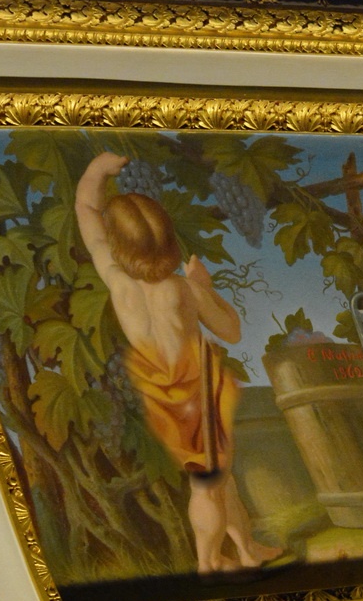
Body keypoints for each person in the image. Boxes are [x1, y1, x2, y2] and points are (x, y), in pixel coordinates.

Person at [75, 151, 281, 573]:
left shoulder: (117, 280)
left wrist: (97, 171)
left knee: (218, 477)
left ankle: (245, 549)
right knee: (208, 484)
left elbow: (86, 210)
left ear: (117, 245)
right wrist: (205, 286)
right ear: (169, 240)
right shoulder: (183, 289)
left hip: (161, 389)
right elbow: (231, 331)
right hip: (196, 391)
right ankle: (209, 562)